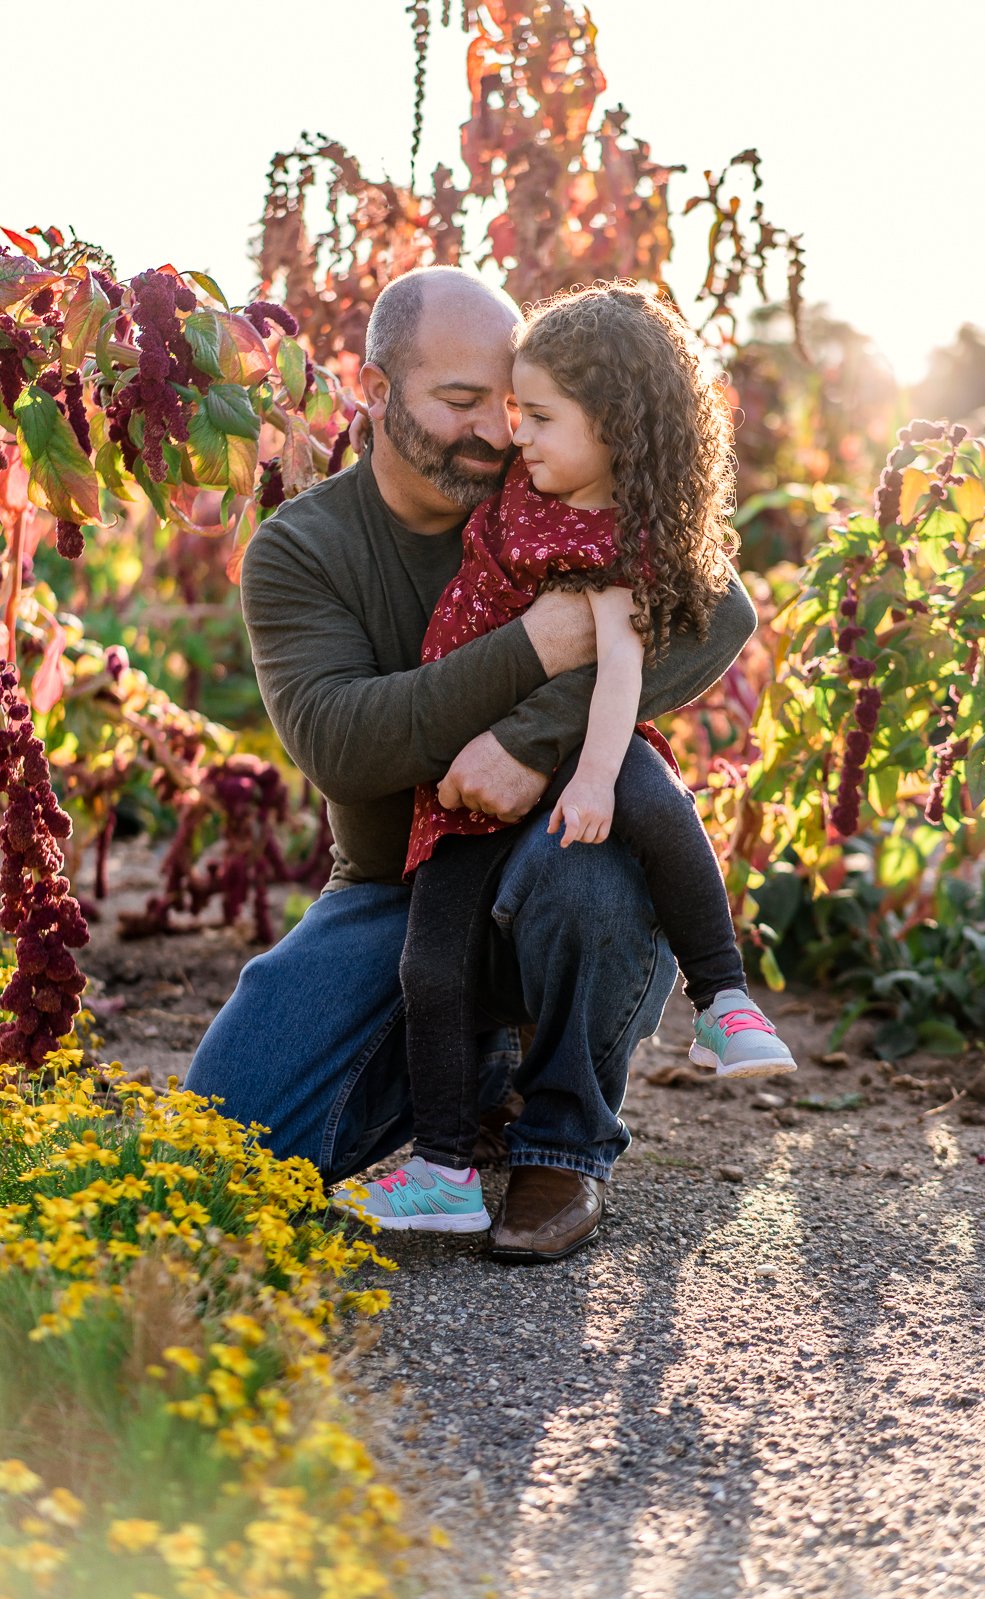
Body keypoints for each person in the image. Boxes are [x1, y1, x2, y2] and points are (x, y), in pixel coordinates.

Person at [185, 265, 759, 1263]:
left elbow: (720, 612)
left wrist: (527, 743)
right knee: (220, 1143)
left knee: (593, 871)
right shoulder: (302, 549)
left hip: (549, 850)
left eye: (503, 405)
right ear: (372, 391)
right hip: (395, 887)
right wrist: (542, 641)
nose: (494, 435)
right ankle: (478, 1071)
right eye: (457, 403)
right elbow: (342, 742)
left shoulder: (545, 484)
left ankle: (558, 1149)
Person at [353, 283, 795, 1238]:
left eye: (537, 416)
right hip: (463, 784)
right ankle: (446, 1168)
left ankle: (722, 999)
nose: (513, 434)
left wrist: (575, 763)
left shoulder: (615, 544)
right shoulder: (524, 485)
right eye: (505, 408)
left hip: (575, 742)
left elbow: (647, 651)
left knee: (646, 802)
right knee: (430, 970)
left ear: (615, 431)